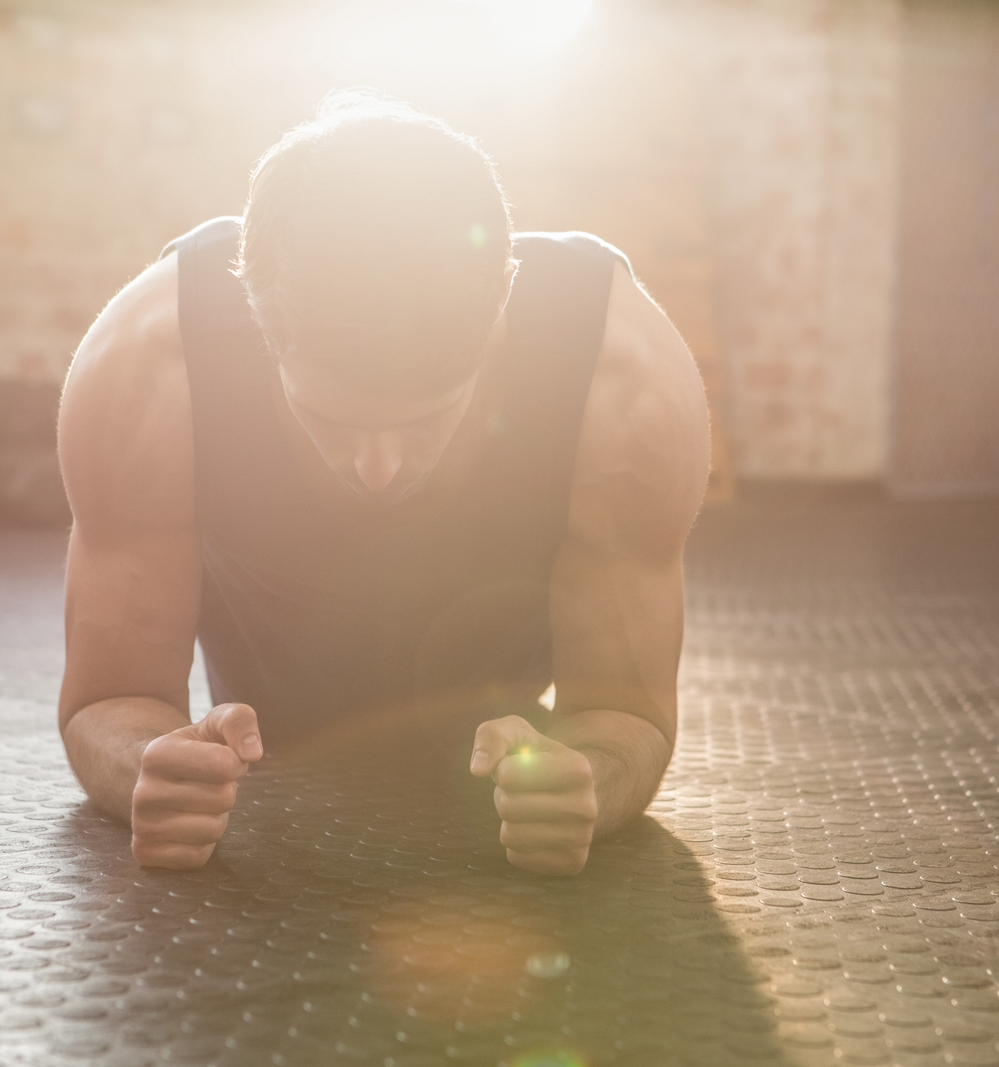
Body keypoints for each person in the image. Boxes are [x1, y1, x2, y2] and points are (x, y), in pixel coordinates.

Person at [56, 93, 710, 876]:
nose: (379, 469)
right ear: (259, 323)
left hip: (492, 740)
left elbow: (626, 709)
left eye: (426, 420)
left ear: (502, 305)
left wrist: (587, 785)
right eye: (330, 421)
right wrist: (151, 766)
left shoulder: (623, 381)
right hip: (269, 748)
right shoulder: (149, 368)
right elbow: (107, 697)